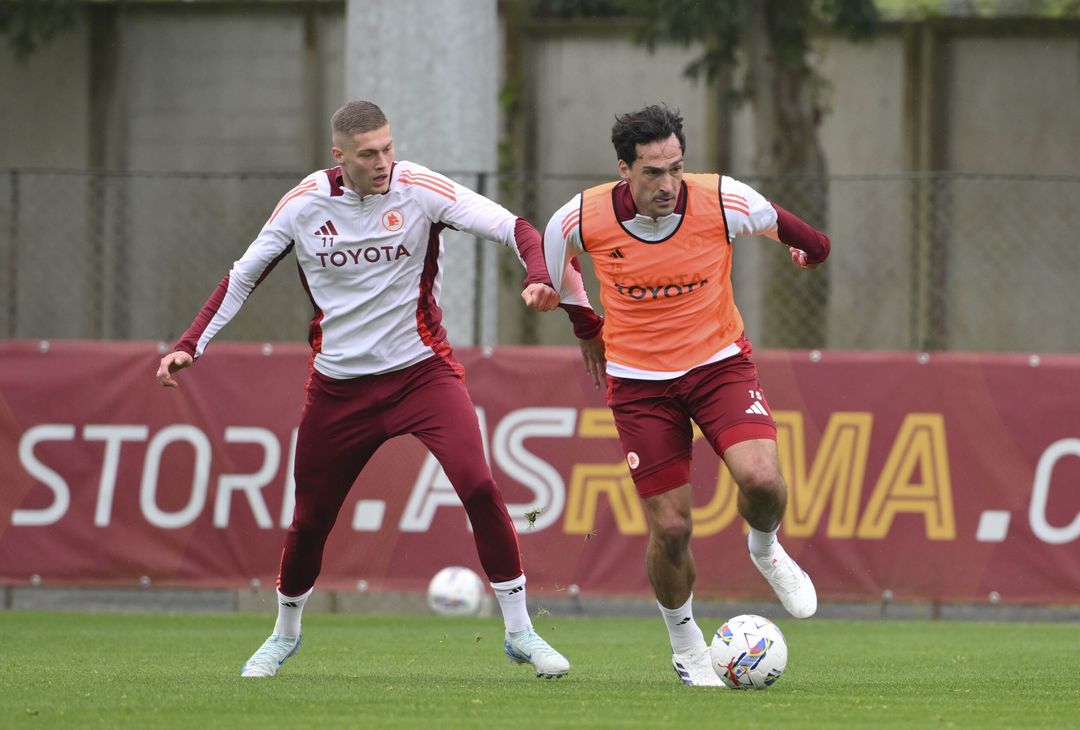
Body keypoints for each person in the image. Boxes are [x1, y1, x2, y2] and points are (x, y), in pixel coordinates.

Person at [156, 100, 570, 679]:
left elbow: (516, 228)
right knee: (310, 520)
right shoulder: (304, 205)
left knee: (478, 485)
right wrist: (190, 344)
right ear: (340, 156)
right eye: (368, 154)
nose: (383, 162)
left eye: (388, 148)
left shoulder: (418, 188)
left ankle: (521, 632)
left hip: (422, 375)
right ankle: (283, 634)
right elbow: (242, 275)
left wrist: (539, 274)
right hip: (339, 389)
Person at [523, 105, 829, 687]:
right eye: (653, 172)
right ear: (624, 170)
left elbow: (802, 234)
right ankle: (688, 647)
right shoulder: (580, 217)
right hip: (639, 385)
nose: (668, 184)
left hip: (719, 366)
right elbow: (556, 270)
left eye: (676, 168)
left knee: (763, 481)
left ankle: (765, 547)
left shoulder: (722, 199)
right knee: (671, 529)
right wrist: (585, 327)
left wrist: (810, 252)